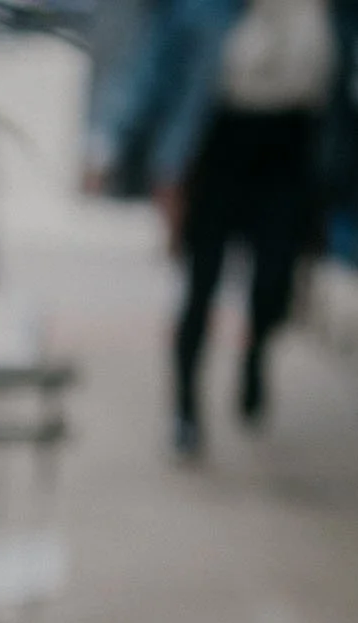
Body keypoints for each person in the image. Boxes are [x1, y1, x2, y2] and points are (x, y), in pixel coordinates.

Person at [94, 0, 346, 455]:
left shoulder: (326, 13)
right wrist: (107, 141)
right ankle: (186, 408)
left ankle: (255, 355)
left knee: (274, 282)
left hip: (290, 156)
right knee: (200, 283)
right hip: (218, 153)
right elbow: (152, 74)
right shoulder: (204, 11)